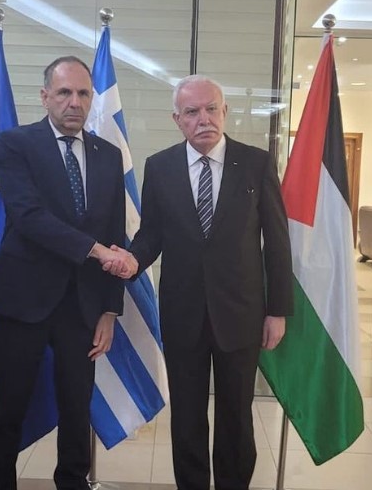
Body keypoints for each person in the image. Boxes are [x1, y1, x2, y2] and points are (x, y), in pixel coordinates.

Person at [110, 75, 293, 490]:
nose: (203, 119)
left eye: (211, 109)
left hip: (242, 314)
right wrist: (132, 260)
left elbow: (278, 242)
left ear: (225, 112)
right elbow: (152, 234)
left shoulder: (257, 163)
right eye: (192, 112)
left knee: (236, 416)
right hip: (183, 314)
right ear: (177, 119)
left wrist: (278, 310)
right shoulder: (160, 167)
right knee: (187, 417)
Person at [0, 56, 130, 490]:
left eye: (83, 93)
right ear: (45, 97)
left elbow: (114, 232)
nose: (74, 102)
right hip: (22, 300)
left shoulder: (108, 155)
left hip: (82, 306)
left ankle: (73, 483)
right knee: (8, 408)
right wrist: (94, 250)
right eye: (64, 92)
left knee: (77, 408)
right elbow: (28, 216)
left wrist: (109, 310)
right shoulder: (15, 144)